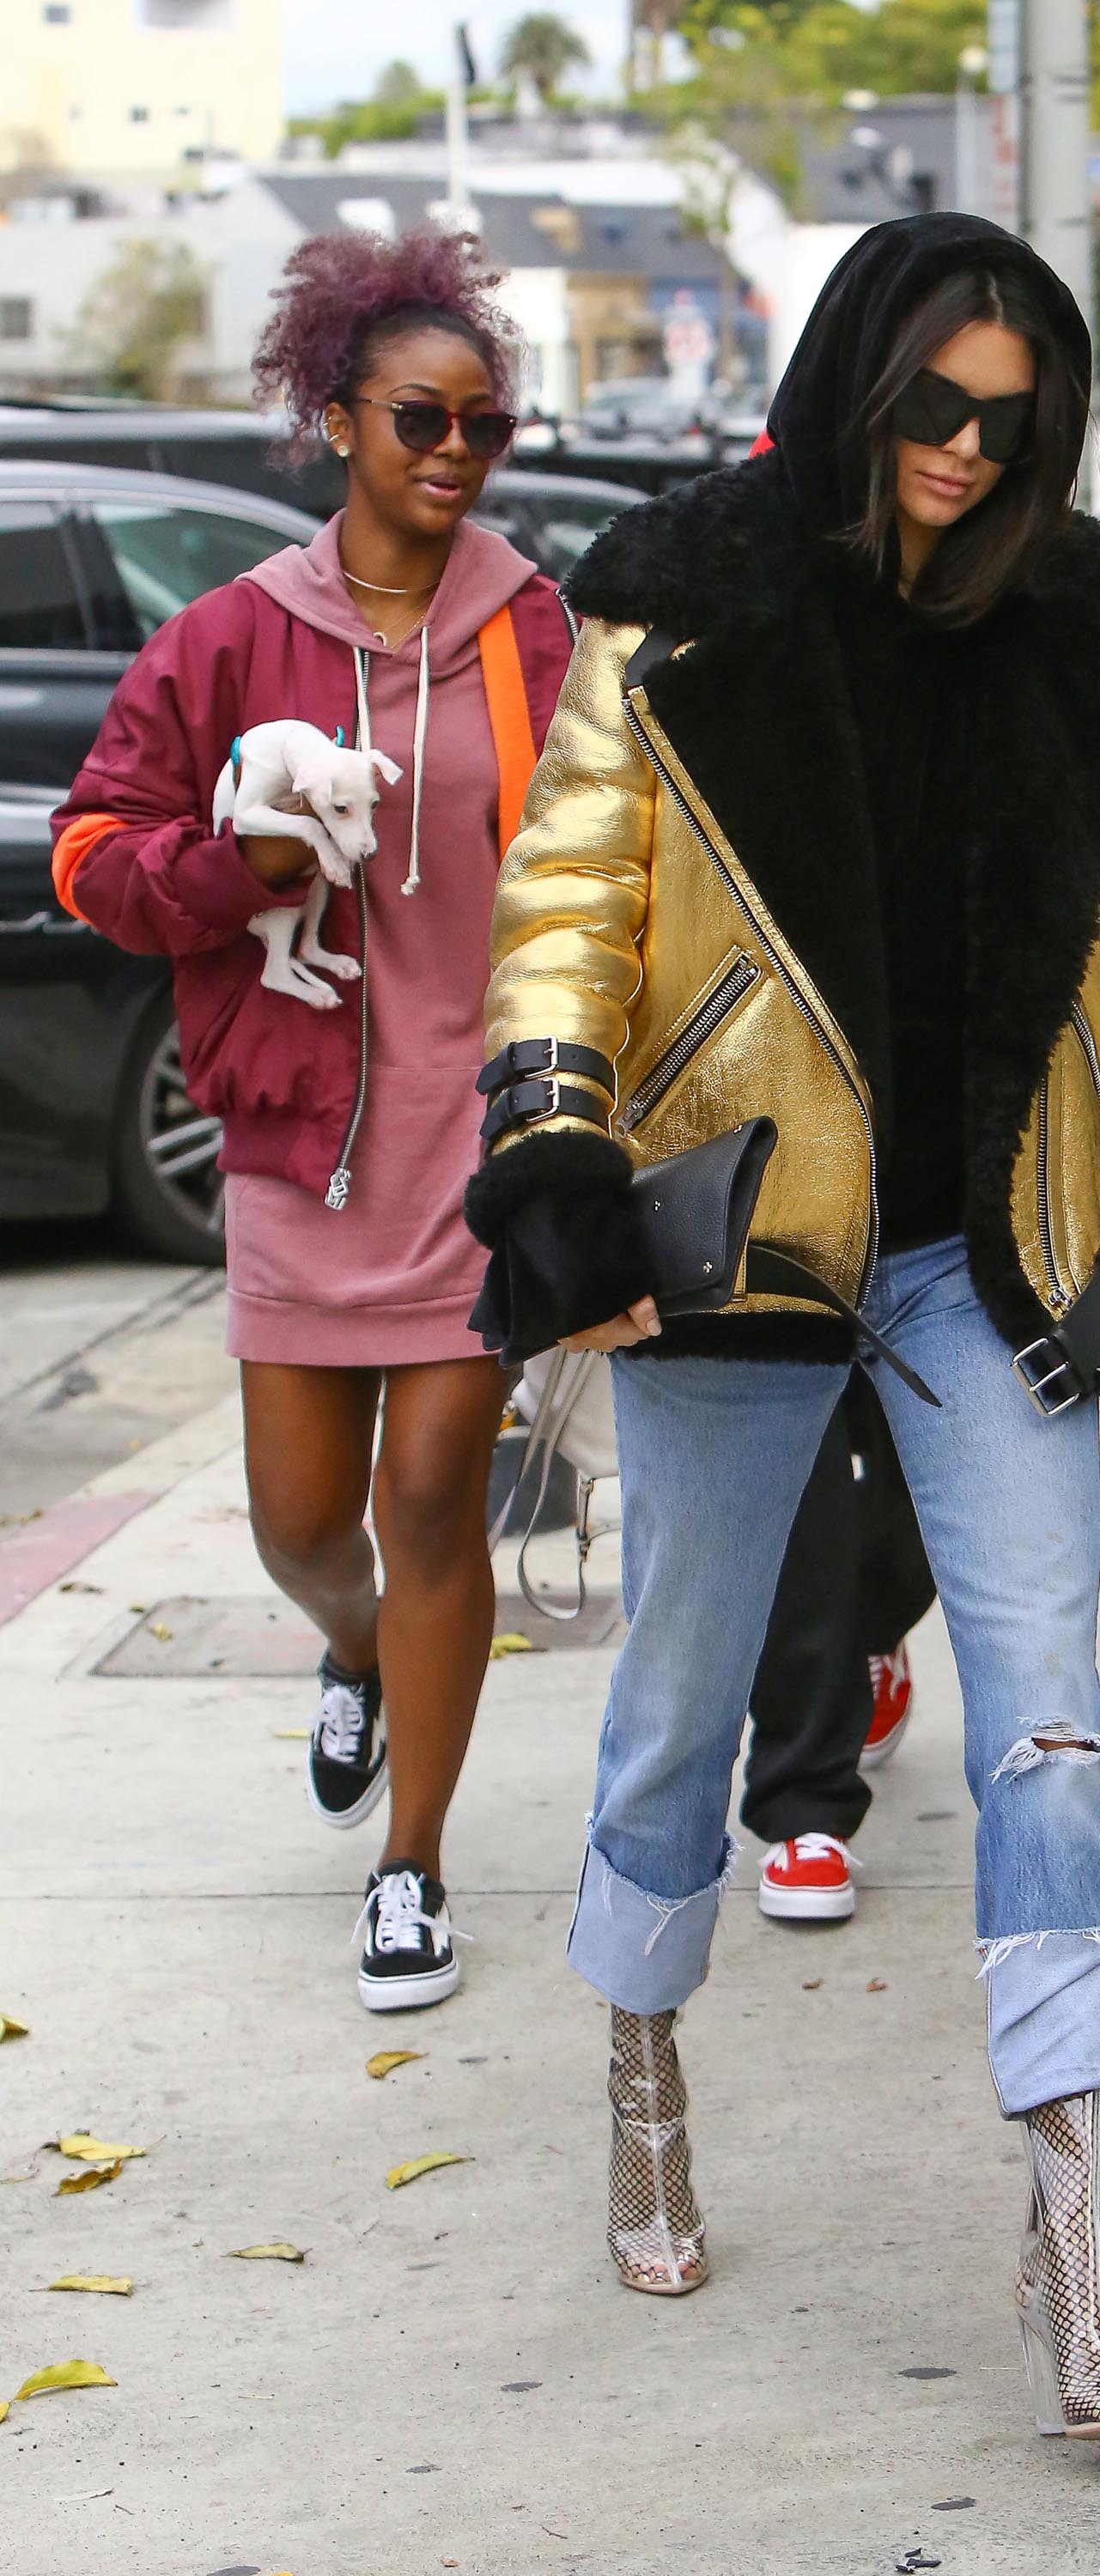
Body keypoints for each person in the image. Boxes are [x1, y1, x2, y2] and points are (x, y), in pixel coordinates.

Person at [465, 211, 1100, 2440]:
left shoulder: (1068, 640)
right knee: (684, 1704)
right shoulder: (683, 600)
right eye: (936, 406)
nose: (971, 452)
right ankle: (643, 2052)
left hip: (977, 1251)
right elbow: (572, 900)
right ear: (859, 377)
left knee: (1052, 1715)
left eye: (1014, 419)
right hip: (743, 1234)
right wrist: (559, 1150)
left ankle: (1075, 2232)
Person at [52, 227, 571, 2012]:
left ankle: (411, 1864)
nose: (452, 447)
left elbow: (601, 865)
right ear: (335, 414)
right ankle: (348, 1651)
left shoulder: (529, 629)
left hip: (476, 1135)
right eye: (419, 414)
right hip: (302, 1140)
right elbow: (91, 857)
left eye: (484, 423)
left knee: (434, 1495)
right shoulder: (226, 637)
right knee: (300, 1522)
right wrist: (241, 864)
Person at [745, 1370, 935, 1923]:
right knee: (798, 1459)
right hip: (782, 1290)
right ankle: (804, 1802)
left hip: (932, 1283)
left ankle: (874, 1623)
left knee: (944, 1450)